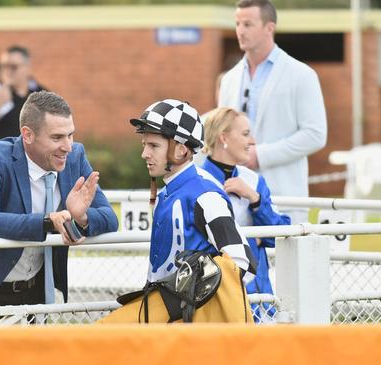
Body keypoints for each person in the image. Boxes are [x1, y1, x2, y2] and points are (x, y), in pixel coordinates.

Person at [0, 91, 118, 309]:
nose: (68, 146)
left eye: (70, 135)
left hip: (36, 292)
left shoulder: (75, 156)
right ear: (28, 135)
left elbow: (110, 218)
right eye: (57, 137)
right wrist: (47, 221)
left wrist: (80, 217)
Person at [99, 99, 257, 323]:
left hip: (188, 327)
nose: (144, 153)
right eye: (145, 144)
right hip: (164, 318)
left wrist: (189, 298)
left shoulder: (205, 195)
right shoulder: (167, 192)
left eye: (153, 146)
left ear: (181, 150)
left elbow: (243, 262)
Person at [219, 0, 327, 223]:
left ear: (270, 27)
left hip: (284, 199)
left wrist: (260, 155)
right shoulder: (229, 79)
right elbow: (221, 134)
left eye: (248, 24)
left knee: (285, 259)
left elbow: (315, 135)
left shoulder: (302, 75)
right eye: (237, 23)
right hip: (236, 199)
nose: (240, 30)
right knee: (237, 260)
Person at [201, 107, 290, 322]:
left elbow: (281, 233)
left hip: (259, 297)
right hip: (214, 296)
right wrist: (252, 239)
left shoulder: (253, 181)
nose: (252, 141)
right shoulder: (198, 181)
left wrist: (254, 198)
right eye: (245, 134)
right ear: (223, 137)